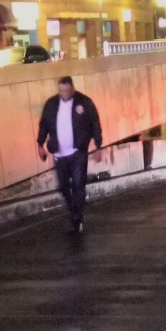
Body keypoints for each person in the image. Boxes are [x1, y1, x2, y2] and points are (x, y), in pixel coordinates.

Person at [36, 76, 103, 233]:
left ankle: (77, 217)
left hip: (78, 151)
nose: (64, 94)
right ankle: (74, 210)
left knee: (79, 184)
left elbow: (95, 123)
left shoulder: (84, 102)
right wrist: (40, 144)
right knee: (64, 186)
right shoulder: (52, 104)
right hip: (59, 154)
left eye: (66, 91)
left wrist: (98, 145)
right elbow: (44, 124)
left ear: (72, 88)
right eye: (61, 91)